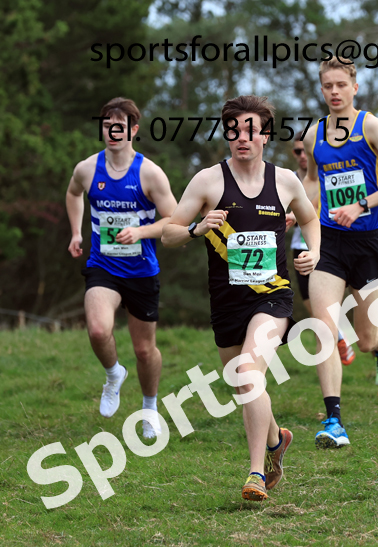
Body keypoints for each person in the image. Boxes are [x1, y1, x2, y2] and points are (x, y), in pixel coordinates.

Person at [162, 95, 320, 500]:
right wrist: (197, 228)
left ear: (266, 135)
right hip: (226, 302)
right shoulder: (208, 181)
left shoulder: (285, 181)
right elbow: (168, 234)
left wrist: (314, 251)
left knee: (249, 374)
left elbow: (309, 217)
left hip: (272, 297)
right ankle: (276, 439)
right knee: (243, 385)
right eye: (233, 130)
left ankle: (255, 473)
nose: (241, 138)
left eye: (250, 130)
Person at [301, 57, 378, 448]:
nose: (334, 92)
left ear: (354, 88)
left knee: (366, 340)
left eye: (340, 85)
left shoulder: (371, 126)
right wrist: (297, 210)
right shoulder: (314, 134)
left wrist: (362, 205)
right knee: (324, 329)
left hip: (366, 242)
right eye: (327, 86)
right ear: (321, 89)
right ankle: (334, 421)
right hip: (330, 242)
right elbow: (314, 182)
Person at [66, 97, 178, 438]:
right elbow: (73, 194)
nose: (113, 132)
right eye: (107, 125)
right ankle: (114, 374)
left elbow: (175, 220)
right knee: (99, 331)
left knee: (144, 350)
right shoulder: (87, 169)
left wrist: (141, 232)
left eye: (120, 126)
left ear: (133, 130)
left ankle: (149, 408)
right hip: (103, 266)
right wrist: (76, 232)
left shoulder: (149, 173)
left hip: (142, 270)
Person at [287, 139, 356, 365]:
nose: (302, 155)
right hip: (300, 247)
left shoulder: (328, 173)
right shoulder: (289, 179)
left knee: (331, 305)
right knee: (312, 304)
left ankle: (354, 338)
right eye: (298, 151)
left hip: (330, 247)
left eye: (305, 150)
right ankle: (339, 335)